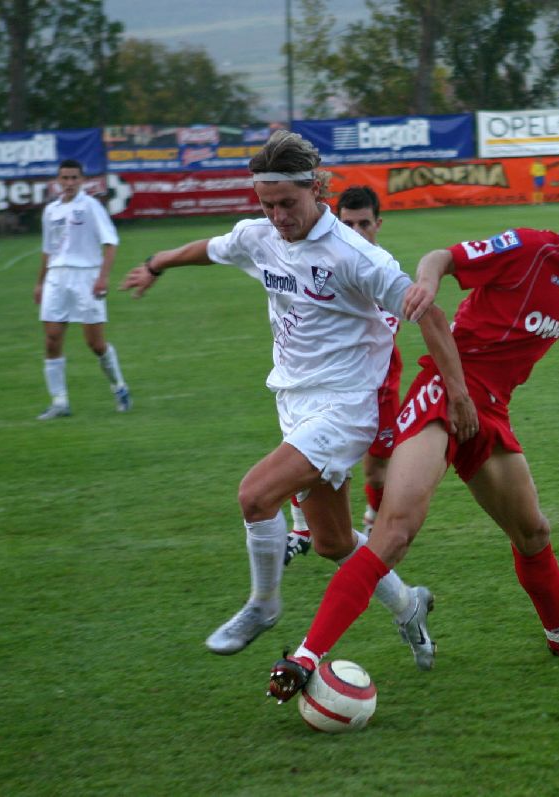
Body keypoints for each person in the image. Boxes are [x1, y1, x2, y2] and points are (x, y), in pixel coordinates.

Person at [266, 180, 559, 703]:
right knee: (395, 534)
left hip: (490, 413)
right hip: (444, 394)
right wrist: (426, 285)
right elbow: (442, 257)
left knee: (533, 532)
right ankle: (304, 658)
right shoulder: (530, 247)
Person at [119, 131, 477, 670]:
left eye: (288, 203)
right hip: (294, 403)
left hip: (345, 407)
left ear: (317, 189)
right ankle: (409, 605)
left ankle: (263, 604)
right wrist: (156, 263)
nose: (279, 216)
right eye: (268, 204)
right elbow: (211, 249)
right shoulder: (259, 235)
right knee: (333, 542)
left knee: (255, 496)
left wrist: (458, 394)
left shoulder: (356, 255)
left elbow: (428, 313)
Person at [284, 185, 402, 561]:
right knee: (305, 451)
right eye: (348, 224)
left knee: (377, 472)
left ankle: (374, 523)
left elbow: (382, 331)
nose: (356, 231)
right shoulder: (319, 262)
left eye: (364, 223)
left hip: (379, 385)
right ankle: (301, 527)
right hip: (331, 383)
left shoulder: (381, 269)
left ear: (378, 224)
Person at [34, 159, 131, 419]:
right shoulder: (51, 210)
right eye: (64, 178)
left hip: (86, 277)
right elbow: (48, 250)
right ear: (58, 181)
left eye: (74, 178)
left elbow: (111, 243)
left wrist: (102, 278)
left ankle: (119, 387)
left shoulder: (90, 206)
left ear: (82, 180)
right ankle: (59, 402)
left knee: (95, 344)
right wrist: (40, 282)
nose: (69, 183)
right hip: (56, 278)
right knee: (52, 339)